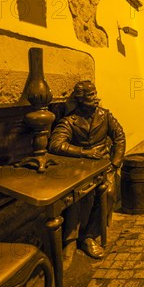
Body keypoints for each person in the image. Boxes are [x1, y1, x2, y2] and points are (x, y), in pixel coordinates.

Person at [49, 80, 126, 259]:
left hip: (105, 166)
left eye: (95, 93)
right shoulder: (70, 120)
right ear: (81, 99)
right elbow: (55, 143)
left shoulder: (105, 115)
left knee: (108, 191)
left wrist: (115, 164)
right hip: (81, 169)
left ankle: (89, 236)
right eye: (91, 95)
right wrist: (84, 152)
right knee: (80, 195)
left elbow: (119, 137)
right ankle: (71, 240)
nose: (95, 98)